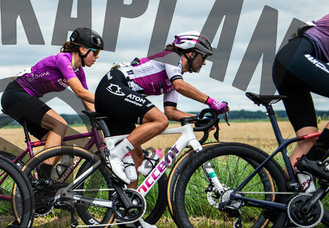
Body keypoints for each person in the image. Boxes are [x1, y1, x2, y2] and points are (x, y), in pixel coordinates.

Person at [94, 31, 229, 187]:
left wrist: (199, 119)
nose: (204, 63)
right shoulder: (172, 58)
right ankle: (114, 156)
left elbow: (171, 112)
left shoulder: (173, 78)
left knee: (137, 159)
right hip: (113, 87)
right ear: (191, 53)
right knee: (160, 121)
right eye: (203, 57)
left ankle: (128, 200)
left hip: (116, 99)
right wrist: (212, 102)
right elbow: (180, 86)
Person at [1, 27, 103, 179]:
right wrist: (108, 101)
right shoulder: (64, 59)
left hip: (24, 98)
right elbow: (80, 92)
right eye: (95, 52)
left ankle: (35, 183)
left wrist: (103, 118)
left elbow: (87, 101)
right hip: (15, 94)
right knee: (59, 125)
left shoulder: (79, 72)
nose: (97, 57)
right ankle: (44, 178)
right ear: (82, 49)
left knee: (57, 145)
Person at [272, 7, 329, 183]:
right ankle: (313, 158)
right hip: (297, 58)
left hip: (288, 63)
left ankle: (281, 196)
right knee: (311, 152)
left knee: (307, 141)